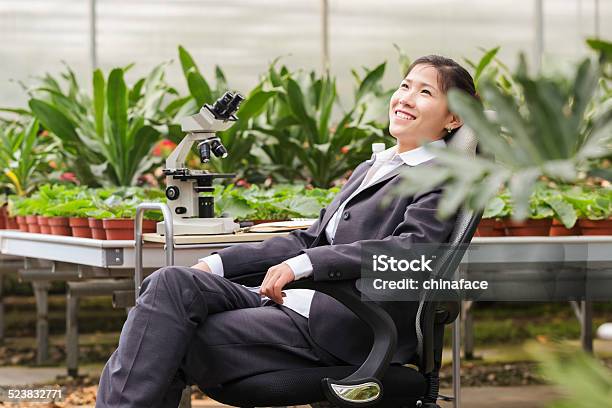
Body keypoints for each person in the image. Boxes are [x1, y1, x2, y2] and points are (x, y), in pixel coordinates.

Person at [96, 55, 478, 407]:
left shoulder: (441, 177)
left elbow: (408, 250)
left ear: (453, 119)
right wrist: (215, 265)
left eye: (425, 92)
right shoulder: (372, 167)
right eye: (405, 86)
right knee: (169, 285)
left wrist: (307, 264)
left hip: (340, 323)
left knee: (162, 336)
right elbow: (308, 238)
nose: (406, 98)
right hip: (290, 304)